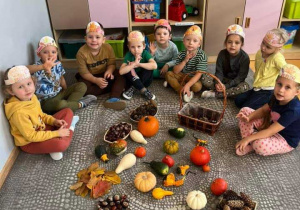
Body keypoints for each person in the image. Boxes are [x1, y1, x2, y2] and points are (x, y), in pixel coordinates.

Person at [4, 66, 79, 160]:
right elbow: (31, 136)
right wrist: (56, 133)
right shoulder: (19, 113)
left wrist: (54, 121)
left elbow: (41, 116)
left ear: (33, 82)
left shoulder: (32, 97)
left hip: (41, 128)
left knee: (68, 111)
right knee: (61, 144)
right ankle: (71, 127)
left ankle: (53, 144)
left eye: (28, 83)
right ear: (11, 91)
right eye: (20, 87)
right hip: (30, 143)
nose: (27, 89)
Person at [235, 64, 300, 156]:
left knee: (260, 145)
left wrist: (248, 138)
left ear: (296, 92)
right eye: (279, 84)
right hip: (270, 124)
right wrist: (249, 118)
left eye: (287, 87)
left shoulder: (294, 110)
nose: (281, 90)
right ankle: (249, 141)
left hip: (283, 138)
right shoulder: (276, 96)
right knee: (245, 111)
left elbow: (271, 131)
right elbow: (263, 110)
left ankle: (251, 140)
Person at [27, 36, 96, 114]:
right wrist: (42, 67)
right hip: (46, 100)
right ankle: (79, 104)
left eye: (53, 52)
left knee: (82, 86)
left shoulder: (57, 64)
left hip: (59, 93)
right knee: (61, 104)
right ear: (39, 54)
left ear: (57, 53)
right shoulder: (37, 66)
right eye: (45, 52)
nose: (50, 55)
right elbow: (25, 69)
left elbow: (61, 78)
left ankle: (68, 106)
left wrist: (66, 91)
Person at [76, 21, 126, 110]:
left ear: (103, 39)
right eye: (90, 37)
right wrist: (95, 80)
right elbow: (84, 73)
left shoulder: (108, 48)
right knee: (82, 88)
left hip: (105, 73)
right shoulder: (81, 53)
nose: (94, 40)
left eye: (97, 37)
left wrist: (109, 71)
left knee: (121, 75)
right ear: (85, 39)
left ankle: (113, 98)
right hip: (90, 76)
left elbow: (111, 63)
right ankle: (113, 87)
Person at [235, 29, 289, 109]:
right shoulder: (259, 53)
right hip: (257, 87)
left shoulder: (277, 58)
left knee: (246, 108)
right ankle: (262, 102)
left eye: (268, 47)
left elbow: (286, 71)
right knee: (238, 101)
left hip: (268, 91)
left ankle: (270, 103)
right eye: (263, 43)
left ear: (277, 49)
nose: (263, 47)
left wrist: (280, 87)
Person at [201, 24, 250, 98]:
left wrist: (226, 86)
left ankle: (216, 94)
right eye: (229, 42)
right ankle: (224, 92)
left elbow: (240, 78)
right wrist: (218, 83)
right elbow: (219, 71)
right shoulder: (222, 54)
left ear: (241, 44)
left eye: (237, 43)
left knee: (245, 87)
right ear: (225, 43)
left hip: (235, 83)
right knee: (202, 75)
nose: (233, 45)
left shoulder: (245, 58)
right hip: (222, 80)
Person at [165, 25, 208, 102]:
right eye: (188, 39)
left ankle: (181, 86)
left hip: (193, 78)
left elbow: (199, 74)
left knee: (197, 87)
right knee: (168, 74)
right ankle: (182, 91)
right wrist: (185, 61)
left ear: (199, 44)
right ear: (184, 41)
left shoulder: (202, 55)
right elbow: (175, 71)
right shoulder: (181, 54)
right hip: (182, 75)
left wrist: (188, 85)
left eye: (195, 41)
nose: (190, 43)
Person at [120, 30, 157, 100]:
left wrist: (139, 64)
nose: (136, 50)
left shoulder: (145, 53)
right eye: (133, 47)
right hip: (132, 80)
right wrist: (133, 64)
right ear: (129, 47)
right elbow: (121, 71)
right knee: (128, 69)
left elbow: (154, 65)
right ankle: (143, 90)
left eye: (139, 46)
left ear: (144, 46)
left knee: (149, 68)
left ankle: (134, 88)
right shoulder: (128, 55)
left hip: (145, 81)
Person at [149, 19, 178, 86]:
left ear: (169, 36)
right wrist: (152, 53)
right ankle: (164, 76)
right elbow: (150, 60)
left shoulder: (173, 47)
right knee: (150, 70)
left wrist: (167, 65)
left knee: (176, 69)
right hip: (157, 64)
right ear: (155, 36)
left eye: (165, 34)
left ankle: (166, 76)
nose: (161, 36)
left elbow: (176, 60)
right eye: (158, 34)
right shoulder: (153, 45)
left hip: (169, 65)